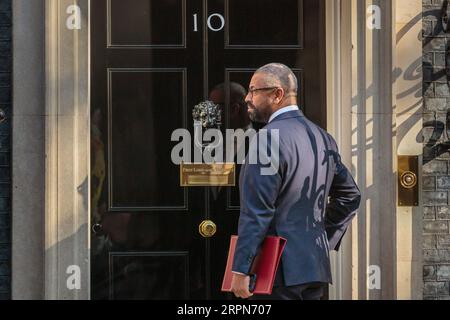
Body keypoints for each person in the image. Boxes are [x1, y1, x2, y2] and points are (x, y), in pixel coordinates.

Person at [230, 63, 361, 300]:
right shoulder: (324, 138)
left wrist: (240, 269)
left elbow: (257, 212)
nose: (248, 98)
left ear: (277, 94)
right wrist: (318, 236)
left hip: (275, 273)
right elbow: (351, 196)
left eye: (253, 91)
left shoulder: (267, 139)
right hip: (313, 267)